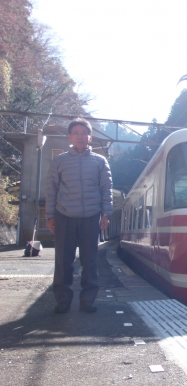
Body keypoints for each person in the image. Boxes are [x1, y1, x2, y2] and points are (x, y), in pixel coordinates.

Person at [45, 118, 113, 314]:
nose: (80, 136)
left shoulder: (100, 162)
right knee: (63, 260)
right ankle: (63, 299)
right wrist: (50, 216)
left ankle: (88, 299)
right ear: (69, 137)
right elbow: (51, 190)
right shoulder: (59, 161)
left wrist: (105, 214)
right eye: (76, 132)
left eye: (84, 132)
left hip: (91, 216)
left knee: (90, 260)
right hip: (64, 215)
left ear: (90, 137)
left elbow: (105, 189)